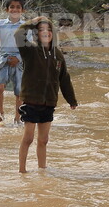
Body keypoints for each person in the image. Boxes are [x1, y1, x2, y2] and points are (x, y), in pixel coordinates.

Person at [14, 16, 77, 173]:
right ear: (36, 33)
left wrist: (71, 99)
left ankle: (42, 170)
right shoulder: (30, 51)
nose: (46, 32)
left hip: (49, 102)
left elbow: (64, 79)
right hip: (31, 101)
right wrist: (32, 22)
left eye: (49, 30)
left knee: (44, 140)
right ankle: (22, 171)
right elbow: (18, 35)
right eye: (41, 30)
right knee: (28, 138)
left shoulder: (58, 55)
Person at [0, 0, 28, 122]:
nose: (15, 9)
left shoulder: (25, 27)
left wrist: (18, 58)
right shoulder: (0, 24)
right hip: (3, 59)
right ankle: (0, 113)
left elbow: (28, 47)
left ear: (22, 10)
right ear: (7, 10)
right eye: (12, 7)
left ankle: (17, 117)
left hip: (19, 60)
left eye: (18, 7)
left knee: (19, 91)